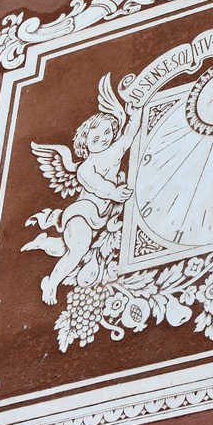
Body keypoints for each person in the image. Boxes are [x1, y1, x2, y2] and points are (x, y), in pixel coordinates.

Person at [36, 110, 139, 305]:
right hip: (81, 214)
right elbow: (96, 184)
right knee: (78, 249)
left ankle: (45, 244)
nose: (103, 139)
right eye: (96, 137)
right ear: (85, 141)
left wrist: (137, 111)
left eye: (108, 133)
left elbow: (129, 135)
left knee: (71, 250)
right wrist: (113, 192)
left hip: (99, 216)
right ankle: (51, 283)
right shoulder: (85, 167)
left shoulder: (115, 151)